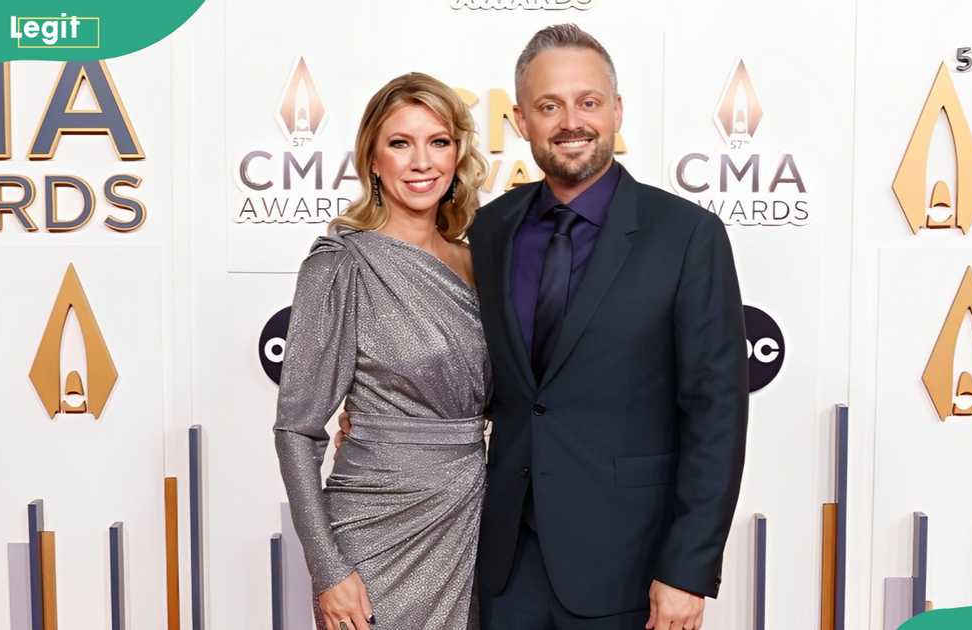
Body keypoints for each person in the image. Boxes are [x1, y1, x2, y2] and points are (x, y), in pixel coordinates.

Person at [466, 25, 749, 630]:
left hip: (630, 568)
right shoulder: (491, 230)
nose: (572, 121)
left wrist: (687, 568)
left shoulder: (686, 236)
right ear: (520, 120)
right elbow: (490, 377)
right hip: (505, 566)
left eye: (588, 102)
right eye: (549, 105)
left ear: (617, 111)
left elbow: (716, 412)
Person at [272, 72, 490, 630]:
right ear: (372, 158)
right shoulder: (340, 264)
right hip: (372, 533)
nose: (422, 162)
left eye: (438, 141)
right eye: (401, 143)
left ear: (458, 153)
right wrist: (327, 570)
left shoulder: (485, 261)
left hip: (473, 520)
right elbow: (297, 430)